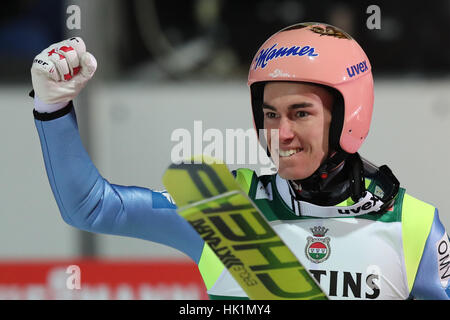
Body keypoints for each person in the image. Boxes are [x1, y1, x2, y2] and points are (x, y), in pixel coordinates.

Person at [30, 22, 450, 300]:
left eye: (300, 113)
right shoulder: (225, 206)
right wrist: (52, 109)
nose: (281, 133)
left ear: (349, 115)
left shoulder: (414, 225)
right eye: (270, 115)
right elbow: (92, 207)